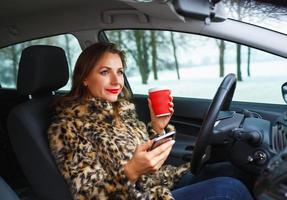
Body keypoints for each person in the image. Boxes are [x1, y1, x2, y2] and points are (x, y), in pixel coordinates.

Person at [47, 42, 253, 200]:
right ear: (84, 78)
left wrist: (158, 128)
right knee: (229, 189)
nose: (116, 81)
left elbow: (143, 154)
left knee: (233, 169)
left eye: (119, 72)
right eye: (104, 72)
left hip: (157, 185)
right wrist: (130, 172)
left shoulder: (120, 109)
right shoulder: (68, 127)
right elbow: (87, 195)